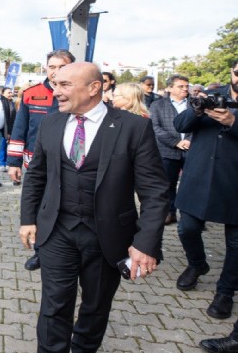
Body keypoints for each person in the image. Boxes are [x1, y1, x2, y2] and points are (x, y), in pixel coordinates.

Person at [19, 62, 169, 353]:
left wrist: (146, 243)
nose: (56, 91)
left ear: (94, 87)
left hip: (107, 236)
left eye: (65, 85)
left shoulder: (133, 127)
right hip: (57, 231)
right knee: (53, 305)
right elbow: (36, 175)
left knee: (96, 306)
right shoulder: (51, 123)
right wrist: (28, 219)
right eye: (55, 83)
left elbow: (155, 191)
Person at [173, 61, 238, 320]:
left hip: (234, 181)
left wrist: (233, 121)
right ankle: (197, 264)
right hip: (199, 176)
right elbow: (181, 124)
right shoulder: (212, 94)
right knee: (186, 228)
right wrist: (198, 110)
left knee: (235, 244)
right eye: (237, 72)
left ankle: (225, 292)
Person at [8, 49, 75, 271]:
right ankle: (40, 251)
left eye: (62, 67)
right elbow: (20, 129)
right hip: (36, 166)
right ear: (45, 68)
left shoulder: (78, 94)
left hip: (70, 165)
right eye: (52, 67)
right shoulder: (31, 93)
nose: (56, 72)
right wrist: (13, 163)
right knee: (38, 207)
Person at [149, 75, 191, 226]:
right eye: (181, 86)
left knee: (192, 184)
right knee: (168, 184)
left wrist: (189, 141)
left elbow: (202, 126)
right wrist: (176, 142)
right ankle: (169, 212)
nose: (185, 89)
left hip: (191, 151)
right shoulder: (157, 105)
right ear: (170, 88)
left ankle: (191, 217)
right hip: (167, 151)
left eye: (187, 86)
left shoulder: (195, 104)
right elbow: (155, 128)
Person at [0, 87, 16, 171]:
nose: (10, 94)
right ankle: (2, 163)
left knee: (11, 147)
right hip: (4, 129)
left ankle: (8, 162)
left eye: (11, 92)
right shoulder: (1, 102)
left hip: (13, 128)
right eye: (8, 92)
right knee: (3, 146)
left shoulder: (13, 103)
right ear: (2, 93)